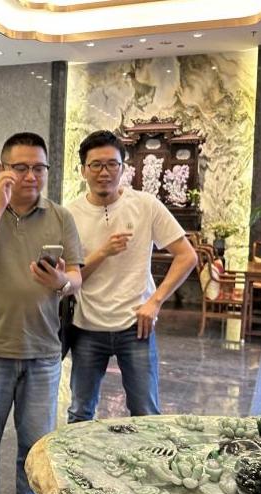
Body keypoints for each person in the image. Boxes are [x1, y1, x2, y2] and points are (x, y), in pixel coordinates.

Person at [0, 132, 83, 494]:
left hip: (42, 354)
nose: (31, 176)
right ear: (2, 169)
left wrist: (61, 282)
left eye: (39, 168)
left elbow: (76, 277)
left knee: (36, 450)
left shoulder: (60, 216)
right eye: (21, 167)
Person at [65, 130, 197, 422]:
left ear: (123, 167)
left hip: (136, 326)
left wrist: (156, 301)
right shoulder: (69, 214)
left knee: (145, 414)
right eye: (96, 165)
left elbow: (187, 256)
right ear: (83, 170)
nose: (104, 172)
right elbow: (68, 278)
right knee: (80, 413)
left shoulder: (145, 205)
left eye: (112, 164)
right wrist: (103, 252)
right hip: (87, 326)